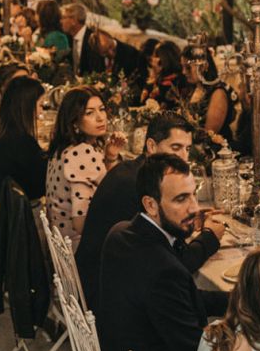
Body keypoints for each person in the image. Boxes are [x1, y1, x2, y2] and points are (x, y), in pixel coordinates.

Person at [97, 154, 228, 351]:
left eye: (193, 195)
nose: (194, 208)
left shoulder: (121, 234)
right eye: (180, 199)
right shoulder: (161, 269)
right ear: (151, 204)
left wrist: (241, 300)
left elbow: (185, 299)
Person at [76, 111, 224, 312]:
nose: (184, 157)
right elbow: (175, 266)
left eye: (187, 149)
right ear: (152, 146)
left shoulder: (130, 170)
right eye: (175, 148)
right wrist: (210, 238)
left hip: (97, 283)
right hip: (108, 302)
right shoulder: (139, 187)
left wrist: (185, 218)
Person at [45, 86, 126, 249]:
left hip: (63, 247)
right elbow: (80, 223)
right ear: (74, 121)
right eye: (89, 113)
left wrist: (110, 157)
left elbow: (102, 188)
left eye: (102, 110)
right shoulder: (81, 153)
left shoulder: (65, 148)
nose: (100, 118)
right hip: (81, 250)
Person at [0, 77, 47, 246]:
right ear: (27, 107)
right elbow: (40, 188)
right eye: (40, 105)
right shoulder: (23, 142)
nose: (41, 113)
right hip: (9, 231)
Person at [181, 44, 241, 144]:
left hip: (214, 152)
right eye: (182, 67)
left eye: (188, 68)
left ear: (203, 67)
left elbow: (209, 134)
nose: (183, 72)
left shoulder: (218, 93)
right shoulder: (193, 88)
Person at [60, 3, 105, 76]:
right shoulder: (68, 38)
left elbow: (96, 70)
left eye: (64, 18)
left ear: (74, 20)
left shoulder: (93, 39)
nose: (61, 21)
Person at [140, 40, 183, 109]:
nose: (152, 59)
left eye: (155, 56)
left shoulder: (170, 84)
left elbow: (146, 104)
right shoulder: (161, 78)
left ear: (163, 60)